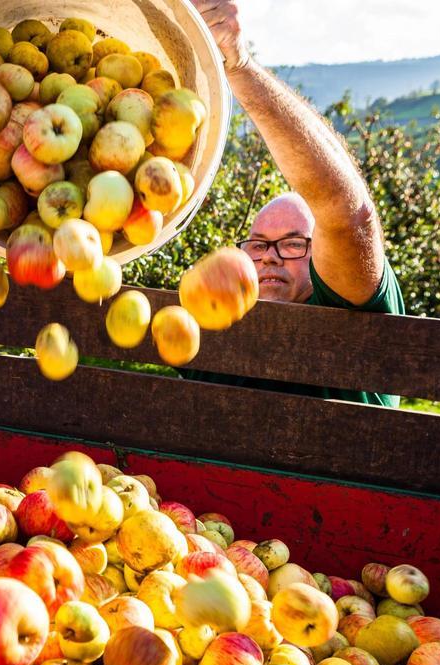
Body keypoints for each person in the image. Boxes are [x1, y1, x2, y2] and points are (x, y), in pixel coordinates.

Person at [182, 0, 406, 406]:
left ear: (320, 252)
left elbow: (347, 215)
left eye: (291, 244)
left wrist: (239, 67)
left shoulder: (344, 309)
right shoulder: (217, 330)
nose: (269, 258)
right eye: (257, 244)